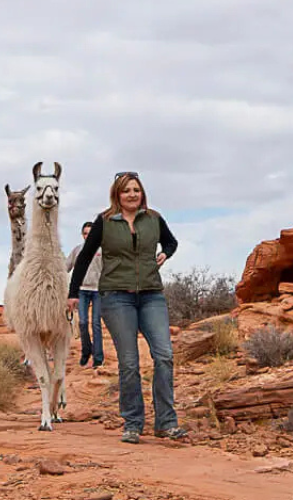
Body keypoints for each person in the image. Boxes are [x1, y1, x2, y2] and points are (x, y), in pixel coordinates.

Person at [68, 171, 185, 444]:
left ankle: (166, 423)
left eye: (136, 190)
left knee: (164, 355)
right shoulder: (105, 221)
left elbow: (171, 241)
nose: (132, 194)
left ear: (141, 192)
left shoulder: (154, 219)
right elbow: (84, 258)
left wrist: (165, 254)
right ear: (117, 195)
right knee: (129, 362)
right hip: (116, 297)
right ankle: (133, 423)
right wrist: (73, 293)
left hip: (151, 295)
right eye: (126, 190)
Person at [66, 221, 106, 369]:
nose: (87, 236)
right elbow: (66, 267)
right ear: (82, 235)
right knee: (82, 323)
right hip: (81, 290)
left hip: (98, 291)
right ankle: (86, 351)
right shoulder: (78, 250)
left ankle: (98, 358)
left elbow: (109, 269)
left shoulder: (102, 250)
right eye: (85, 233)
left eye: (90, 233)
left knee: (96, 324)